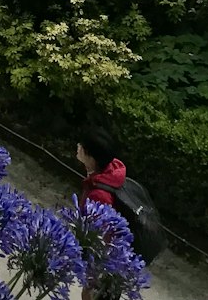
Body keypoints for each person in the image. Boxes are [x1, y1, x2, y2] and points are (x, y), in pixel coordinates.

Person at [77, 126, 127, 300]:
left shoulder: (100, 194)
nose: (78, 147)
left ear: (91, 157)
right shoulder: (110, 171)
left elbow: (101, 236)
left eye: (81, 146)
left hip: (104, 260)